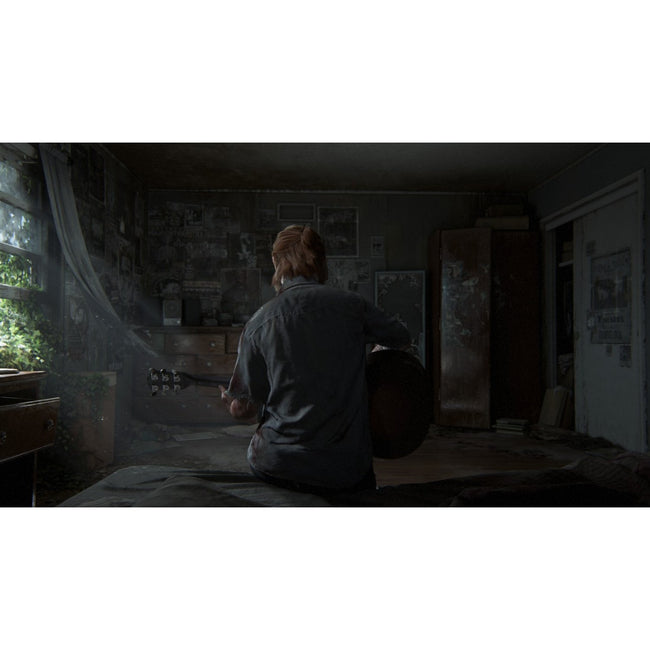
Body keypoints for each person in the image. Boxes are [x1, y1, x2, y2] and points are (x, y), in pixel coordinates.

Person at [219, 224, 411, 496]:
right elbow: (401, 337)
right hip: (345, 468)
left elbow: (245, 410)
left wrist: (232, 403)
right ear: (321, 261)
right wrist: (372, 359)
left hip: (278, 464)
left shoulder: (259, 322)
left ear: (275, 261)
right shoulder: (353, 305)